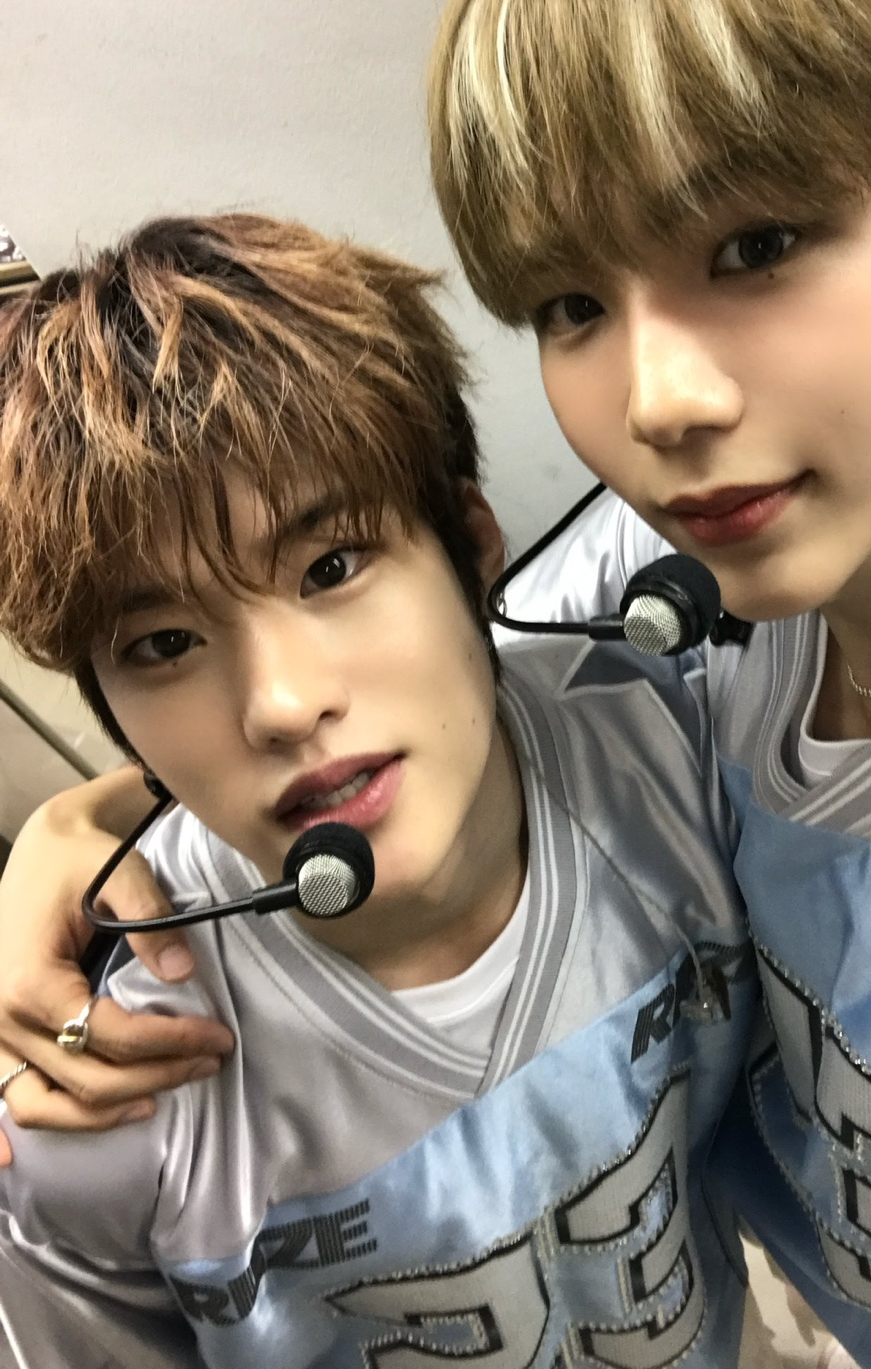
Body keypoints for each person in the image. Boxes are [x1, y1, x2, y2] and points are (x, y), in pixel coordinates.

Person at [0, 0, 871, 1361]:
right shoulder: (690, 576)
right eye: (572, 304)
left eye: (756, 246)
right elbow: (416, 668)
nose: (658, 402)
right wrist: (83, 836)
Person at [0, 214, 758, 1365]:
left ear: (472, 545)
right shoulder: (94, 1102)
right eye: (162, 644)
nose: (281, 704)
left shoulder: (677, 749)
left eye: (331, 567)